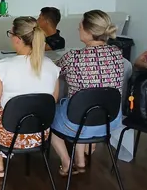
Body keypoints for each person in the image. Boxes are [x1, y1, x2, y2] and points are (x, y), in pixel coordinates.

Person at [0, 17, 61, 178]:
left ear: (17, 39)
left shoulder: (3, 66)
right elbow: (53, 101)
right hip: (39, 135)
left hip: (9, 136)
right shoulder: (51, 66)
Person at [49, 10, 124, 176]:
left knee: (51, 114)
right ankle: (81, 159)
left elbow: (52, 70)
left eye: (80, 26)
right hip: (109, 121)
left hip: (77, 122)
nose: (78, 29)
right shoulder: (117, 54)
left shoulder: (73, 57)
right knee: (83, 106)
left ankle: (66, 161)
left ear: (89, 32)